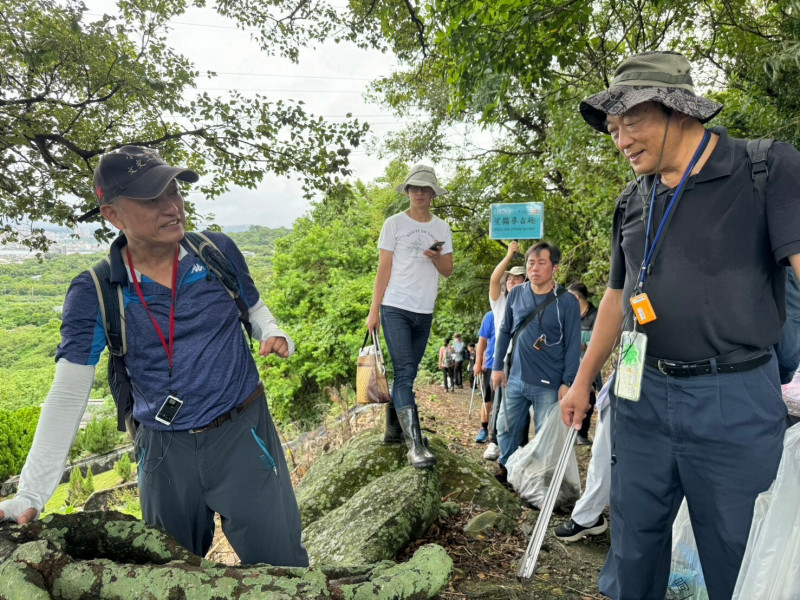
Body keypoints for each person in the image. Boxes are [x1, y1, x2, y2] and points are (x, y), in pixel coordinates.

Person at [561, 51, 799, 599]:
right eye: (614, 129)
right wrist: (581, 381)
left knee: (736, 557)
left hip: (733, 398)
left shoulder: (763, 168)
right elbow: (618, 298)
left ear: (679, 110)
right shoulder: (632, 198)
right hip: (640, 393)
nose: (621, 141)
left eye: (632, 122)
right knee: (633, 548)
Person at [0, 146, 308, 567]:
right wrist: (32, 493)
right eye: (150, 199)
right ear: (112, 214)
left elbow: (252, 307)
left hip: (242, 432)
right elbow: (69, 393)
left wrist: (272, 332)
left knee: (284, 567)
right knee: (170, 574)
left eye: (174, 192)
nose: (172, 208)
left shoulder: (215, 252)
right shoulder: (95, 291)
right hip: (164, 451)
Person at [366, 164, 454, 469]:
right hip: (395, 307)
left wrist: (437, 256)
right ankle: (415, 445)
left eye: (424, 189)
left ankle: (393, 430)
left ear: (432, 194)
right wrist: (374, 310)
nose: (419, 193)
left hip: (424, 309)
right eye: (414, 188)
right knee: (404, 372)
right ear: (407, 192)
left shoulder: (442, 228)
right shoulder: (393, 224)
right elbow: (384, 268)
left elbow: (448, 271)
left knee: (408, 374)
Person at [491, 242, 581, 474]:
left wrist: (567, 382)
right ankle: (507, 467)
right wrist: (498, 365)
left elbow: (573, 344)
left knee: (545, 434)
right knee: (505, 427)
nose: (534, 268)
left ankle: (540, 477)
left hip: (549, 383)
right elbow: (504, 330)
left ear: (555, 268)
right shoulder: (517, 293)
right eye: (531, 263)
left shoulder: (567, 302)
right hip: (515, 378)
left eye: (542, 263)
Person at [480, 243, 527, 457]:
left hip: (526, 359)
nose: (510, 281)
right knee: (499, 400)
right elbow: (493, 280)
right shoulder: (501, 303)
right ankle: (494, 441)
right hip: (504, 359)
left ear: (525, 282)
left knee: (523, 404)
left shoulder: (532, 301)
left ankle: (520, 445)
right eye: (509, 279)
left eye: (516, 279)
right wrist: (509, 255)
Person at [554, 377, 612, 542]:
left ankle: (586, 517)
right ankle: (587, 516)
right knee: (605, 456)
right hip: (632, 381)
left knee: (606, 456)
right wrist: (584, 384)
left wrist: (583, 384)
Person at [566, 282, 602, 445]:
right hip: (569, 364)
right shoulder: (568, 314)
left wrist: (578, 343)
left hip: (588, 364)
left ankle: (582, 433)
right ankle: (568, 431)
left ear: (576, 297)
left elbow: (598, 342)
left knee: (588, 396)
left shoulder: (597, 316)